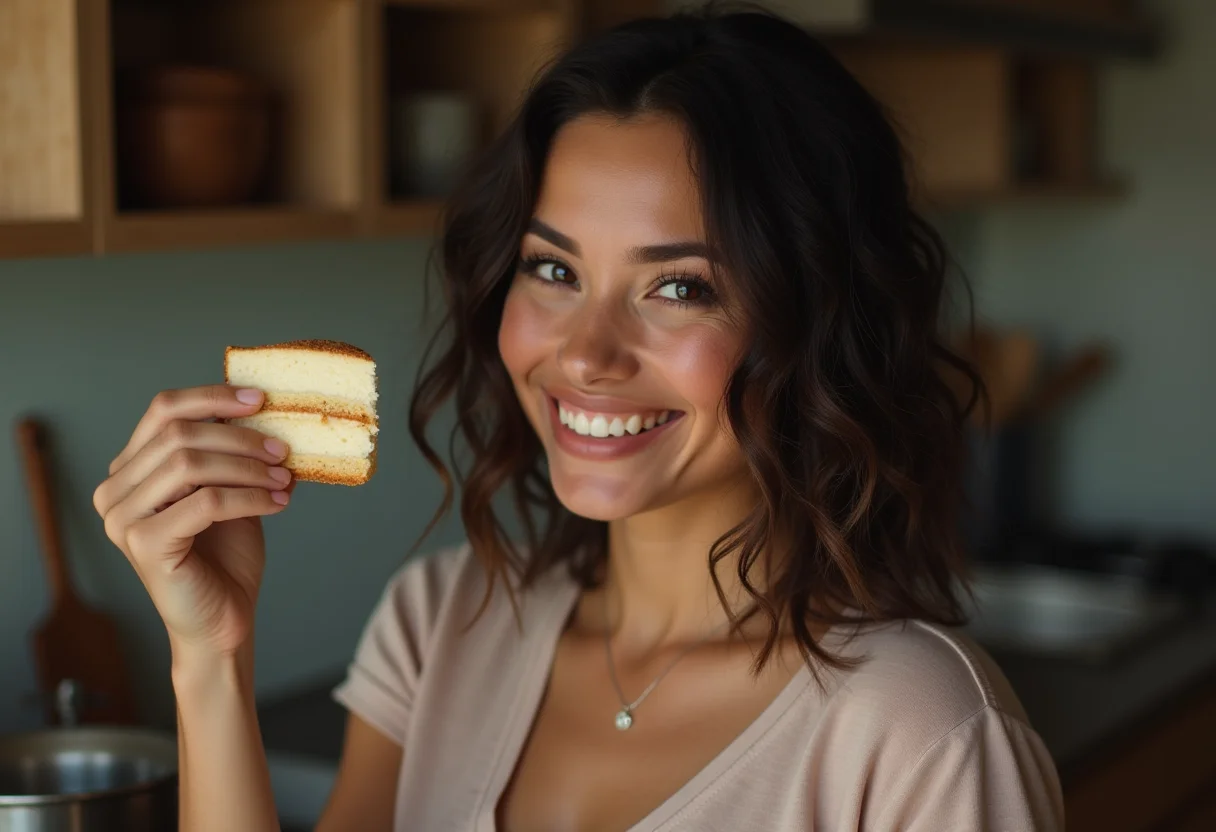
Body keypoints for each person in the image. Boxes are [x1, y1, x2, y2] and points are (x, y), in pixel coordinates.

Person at [92, 5, 1064, 831]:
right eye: (553, 269)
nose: (587, 355)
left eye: (679, 287)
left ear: (816, 322)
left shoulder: (924, 736)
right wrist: (210, 661)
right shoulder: (443, 624)